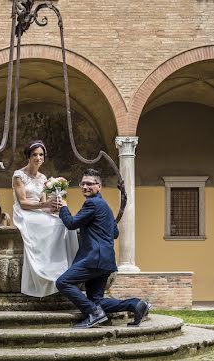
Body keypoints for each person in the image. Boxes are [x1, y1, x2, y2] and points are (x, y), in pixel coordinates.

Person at [55, 169, 151, 329]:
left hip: (94, 258)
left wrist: (63, 207)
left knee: (63, 282)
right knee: (96, 300)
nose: (85, 186)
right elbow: (114, 233)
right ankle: (135, 304)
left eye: (90, 184)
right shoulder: (105, 206)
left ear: (99, 186)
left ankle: (94, 313)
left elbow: (71, 223)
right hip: (105, 260)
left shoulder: (92, 203)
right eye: (83, 183)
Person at [12, 140, 79, 297]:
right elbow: (23, 203)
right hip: (24, 212)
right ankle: (44, 271)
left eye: (41, 155)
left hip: (37, 211)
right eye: (34, 155)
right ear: (28, 157)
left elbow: (43, 203)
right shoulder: (18, 176)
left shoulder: (43, 178)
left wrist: (54, 207)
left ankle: (61, 269)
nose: (38, 158)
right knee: (50, 226)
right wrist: (44, 205)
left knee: (62, 223)